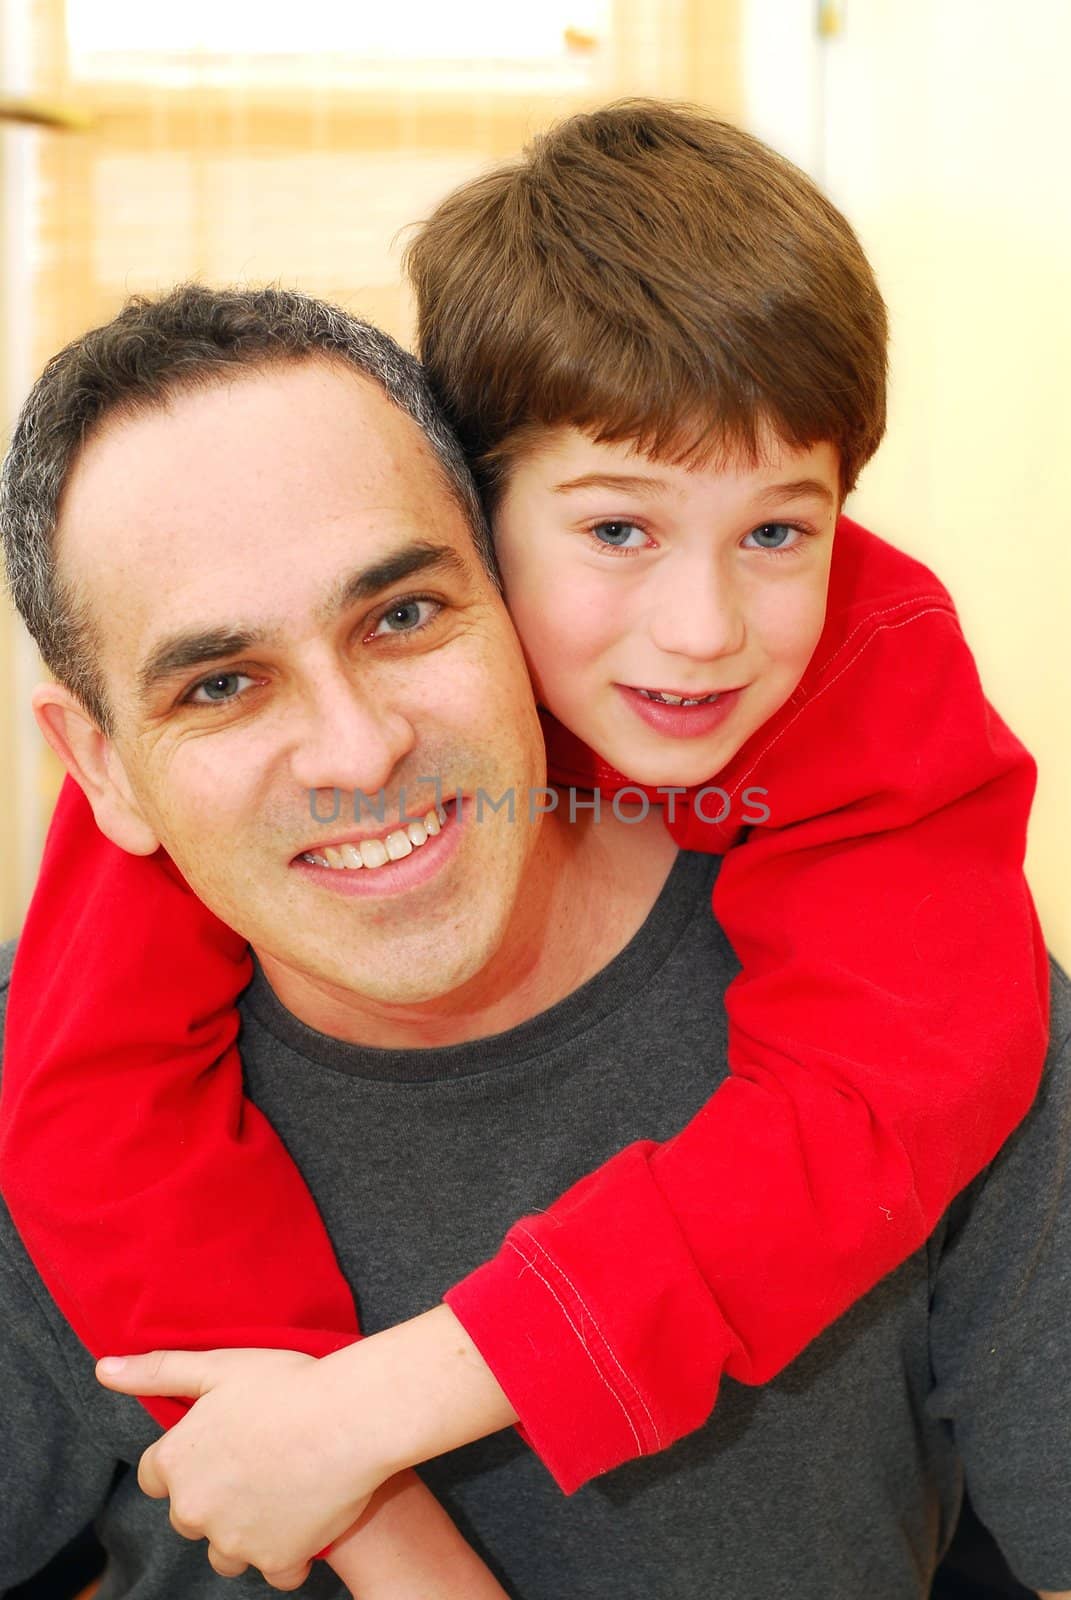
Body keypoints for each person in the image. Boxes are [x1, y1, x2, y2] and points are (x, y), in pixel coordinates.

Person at [0, 102, 1049, 1542]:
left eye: (780, 529)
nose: (702, 633)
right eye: (617, 528)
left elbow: (874, 1113)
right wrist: (382, 1530)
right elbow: (92, 1120)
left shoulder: (873, 672)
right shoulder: (190, 800)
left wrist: (381, 1410)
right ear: (480, 511)